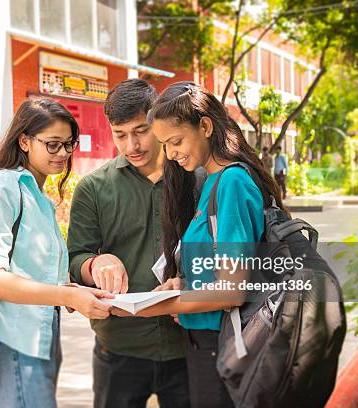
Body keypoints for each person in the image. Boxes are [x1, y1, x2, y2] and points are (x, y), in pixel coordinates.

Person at [112, 82, 288, 408]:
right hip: (207, 344)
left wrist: (152, 305)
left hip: (226, 346)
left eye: (176, 141)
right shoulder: (211, 183)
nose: (171, 153)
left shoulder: (232, 183)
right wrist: (183, 283)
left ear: (205, 126)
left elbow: (232, 291)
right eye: (165, 144)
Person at [0, 98, 114, 408]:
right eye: (53, 145)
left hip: (38, 338)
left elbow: (31, 269)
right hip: (13, 342)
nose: (64, 154)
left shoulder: (34, 191)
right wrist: (65, 297)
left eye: (69, 145)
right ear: (25, 141)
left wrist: (70, 290)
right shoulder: (3, 188)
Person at [68, 79, 190, 408]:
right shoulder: (93, 188)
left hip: (188, 346)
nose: (131, 145)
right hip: (119, 349)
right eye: (120, 134)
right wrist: (96, 263)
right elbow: (75, 259)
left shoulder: (196, 178)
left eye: (140, 131)